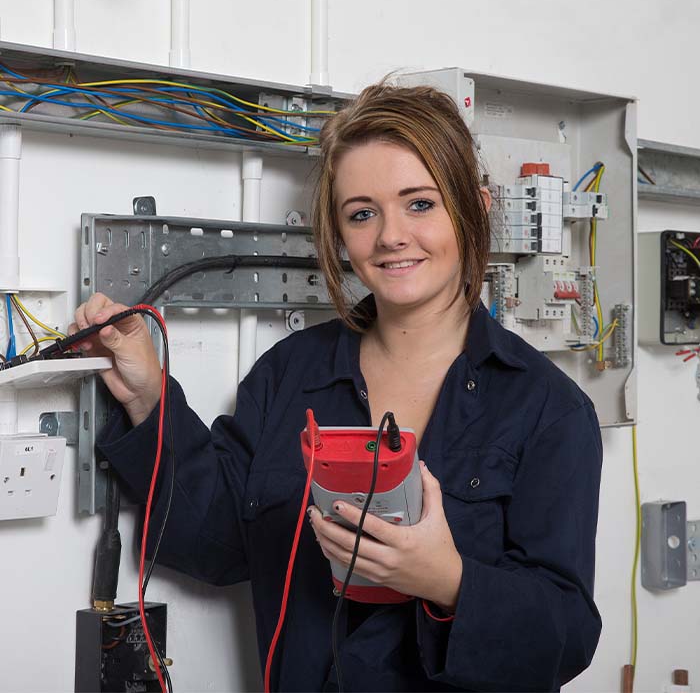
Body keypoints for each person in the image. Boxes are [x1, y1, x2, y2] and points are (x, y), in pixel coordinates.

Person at [71, 82, 603, 692]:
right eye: (362, 213)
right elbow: (217, 541)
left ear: (475, 206)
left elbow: (564, 637)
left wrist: (447, 580)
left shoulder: (548, 410)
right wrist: (148, 396)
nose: (391, 235)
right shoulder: (289, 375)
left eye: (420, 204)